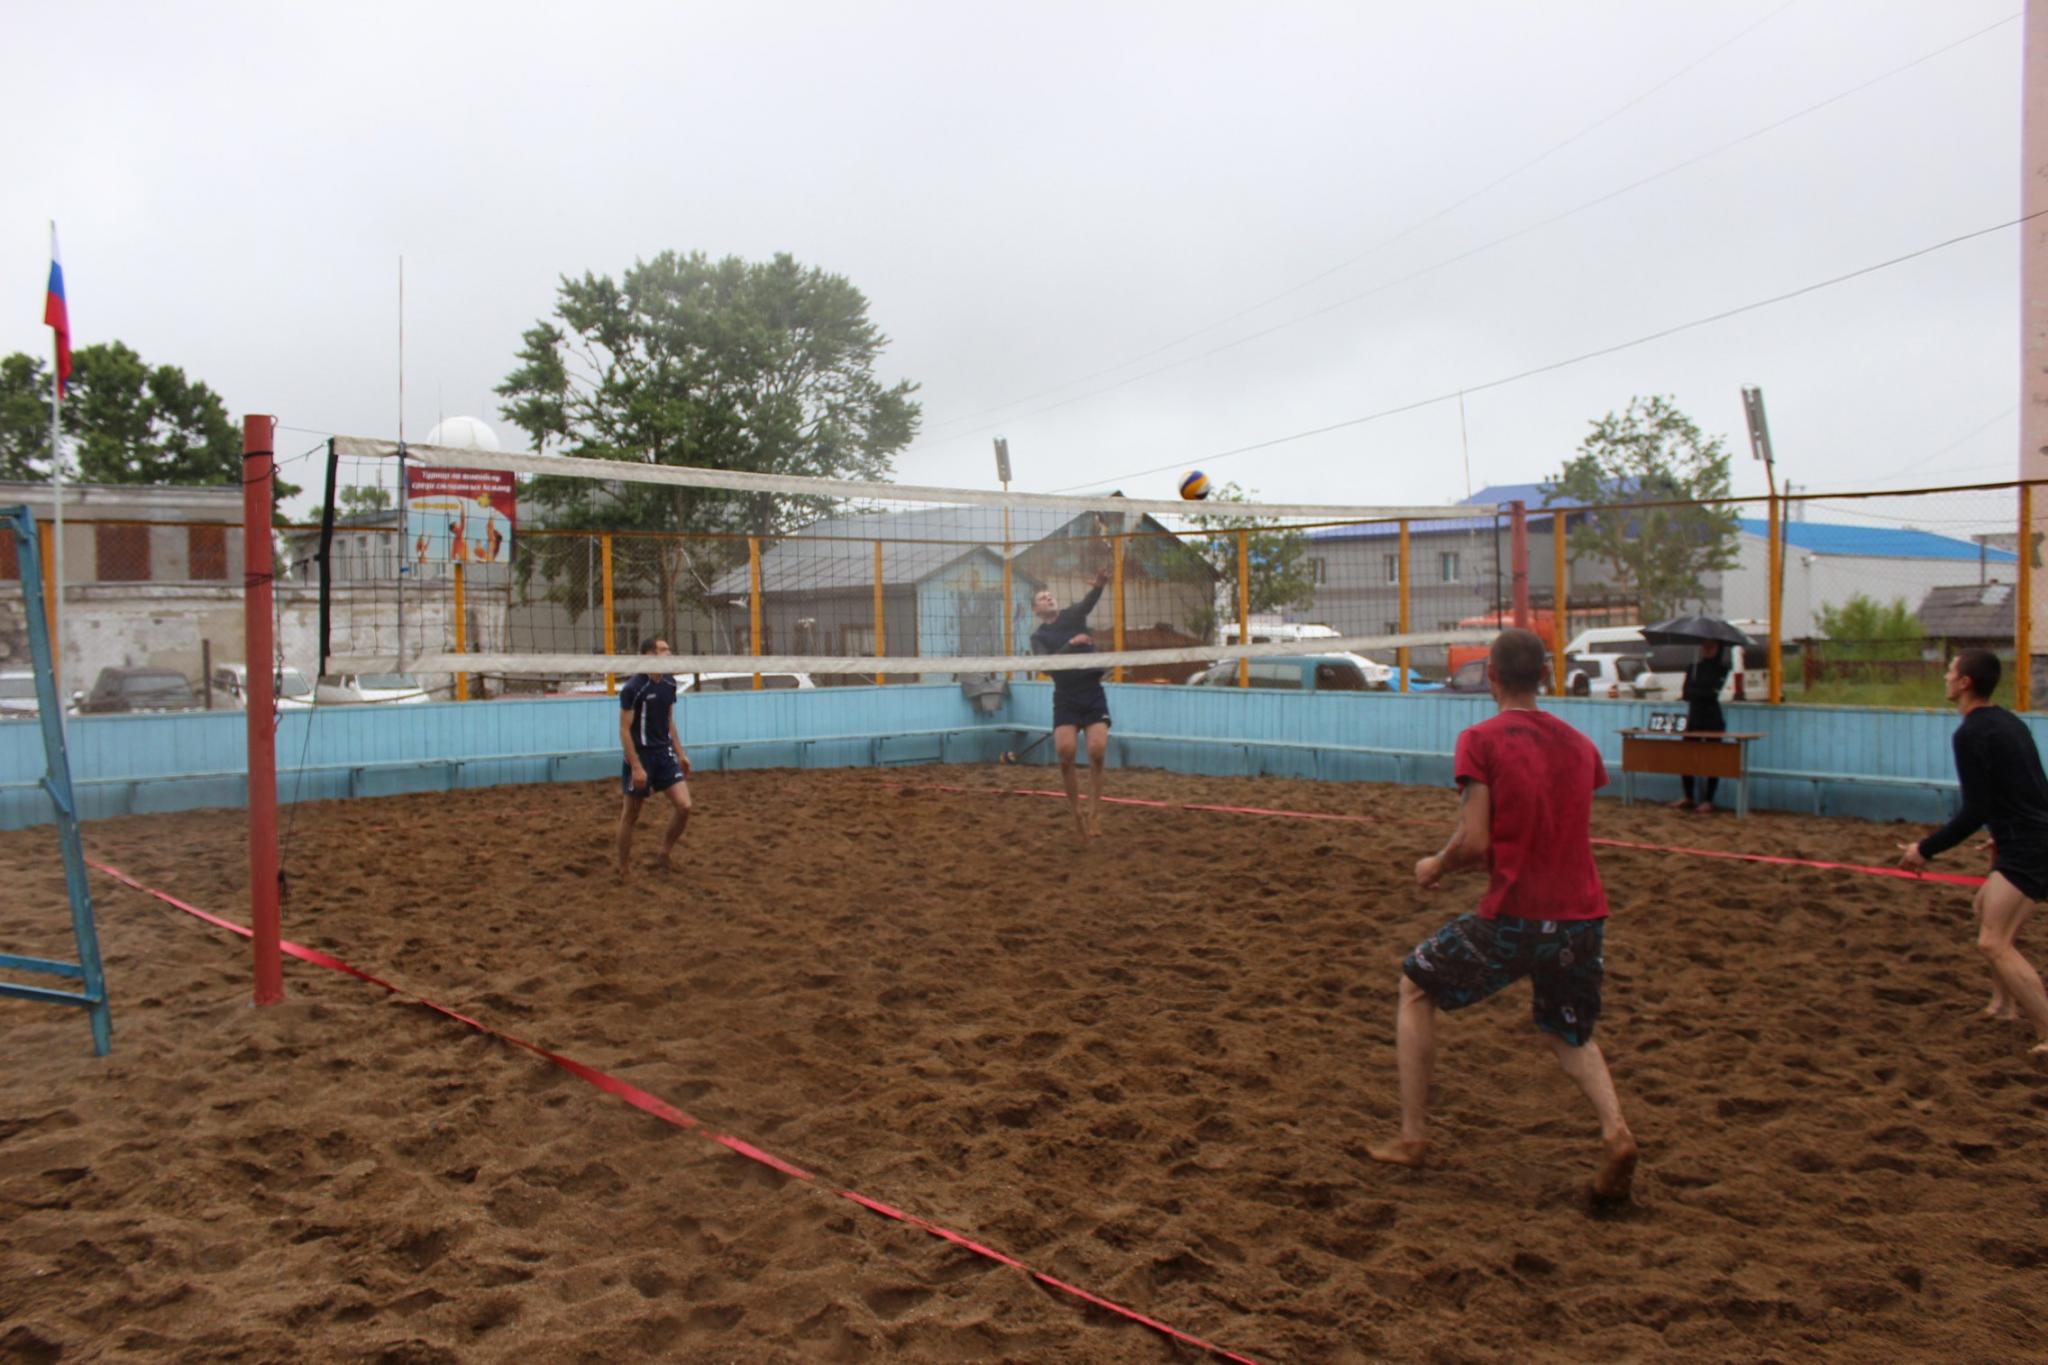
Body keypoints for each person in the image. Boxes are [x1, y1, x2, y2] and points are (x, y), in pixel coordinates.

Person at [1369, 627, 1639, 1202]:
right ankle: (1615, 1129)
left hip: (1517, 913)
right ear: (1543, 676)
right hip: (1584, 915)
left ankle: (1412, 1138)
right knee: (1571, 1032)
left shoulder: (1480, 740)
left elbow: (1475, 842)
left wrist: (1436, 866)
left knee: (1416, 986)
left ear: (1490, 674)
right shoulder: (1580, 746)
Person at [1897, 649, 2048, 1053]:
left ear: (1965, 683)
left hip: (2030, 845)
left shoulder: (1971, 733)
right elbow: (2032, 786)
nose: (1945, 676)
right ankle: (2002, 1006)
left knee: (1992, 942)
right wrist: (2001, 832)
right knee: (1985, 910)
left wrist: (1925, 849)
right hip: (2027, 837)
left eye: (1950, 670)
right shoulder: (2008, 722)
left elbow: (1974, 809)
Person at [1031, 566, 1113, 839]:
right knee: (1066, 755)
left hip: (1091, 690)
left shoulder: (1072, 615)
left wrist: (1100, 584)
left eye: (1049, 595)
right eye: (1042, 598)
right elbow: (1048, 666)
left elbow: (1088, 601)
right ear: (1036, 611)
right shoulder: (1039, 637)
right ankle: (1075, 810)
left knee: (1097, 751)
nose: (1048, 598)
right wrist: (1072, 643)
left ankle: (1095, 813)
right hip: (1066, 696)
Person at [617, 638, 693, 880]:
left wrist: (681, 754)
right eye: (663, 650)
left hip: (663, 753)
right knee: (631, 814)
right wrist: (637, 767)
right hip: (640, 755)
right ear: (649, 654)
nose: (669, 653)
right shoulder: (634, 687)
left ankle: (664, 853)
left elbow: (669, 720)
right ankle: (623, 869)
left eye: (669, 649)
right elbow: (624, 729)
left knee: (684, 806)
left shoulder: (669, 683)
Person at [1666, 639, 1733, 813]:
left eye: (1712, 646)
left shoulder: (1722, 668)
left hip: (1712, 719)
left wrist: (1698, 690)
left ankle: (1709, 799)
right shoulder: (1694, 667)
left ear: (1719, 648)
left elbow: (1712, 694)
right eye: (1705, 646)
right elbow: (1686, 693)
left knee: (1712, 759)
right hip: (1694, 717)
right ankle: (1688, 796)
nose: (1707, 649)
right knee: (1686, 756)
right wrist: (1700, 690)